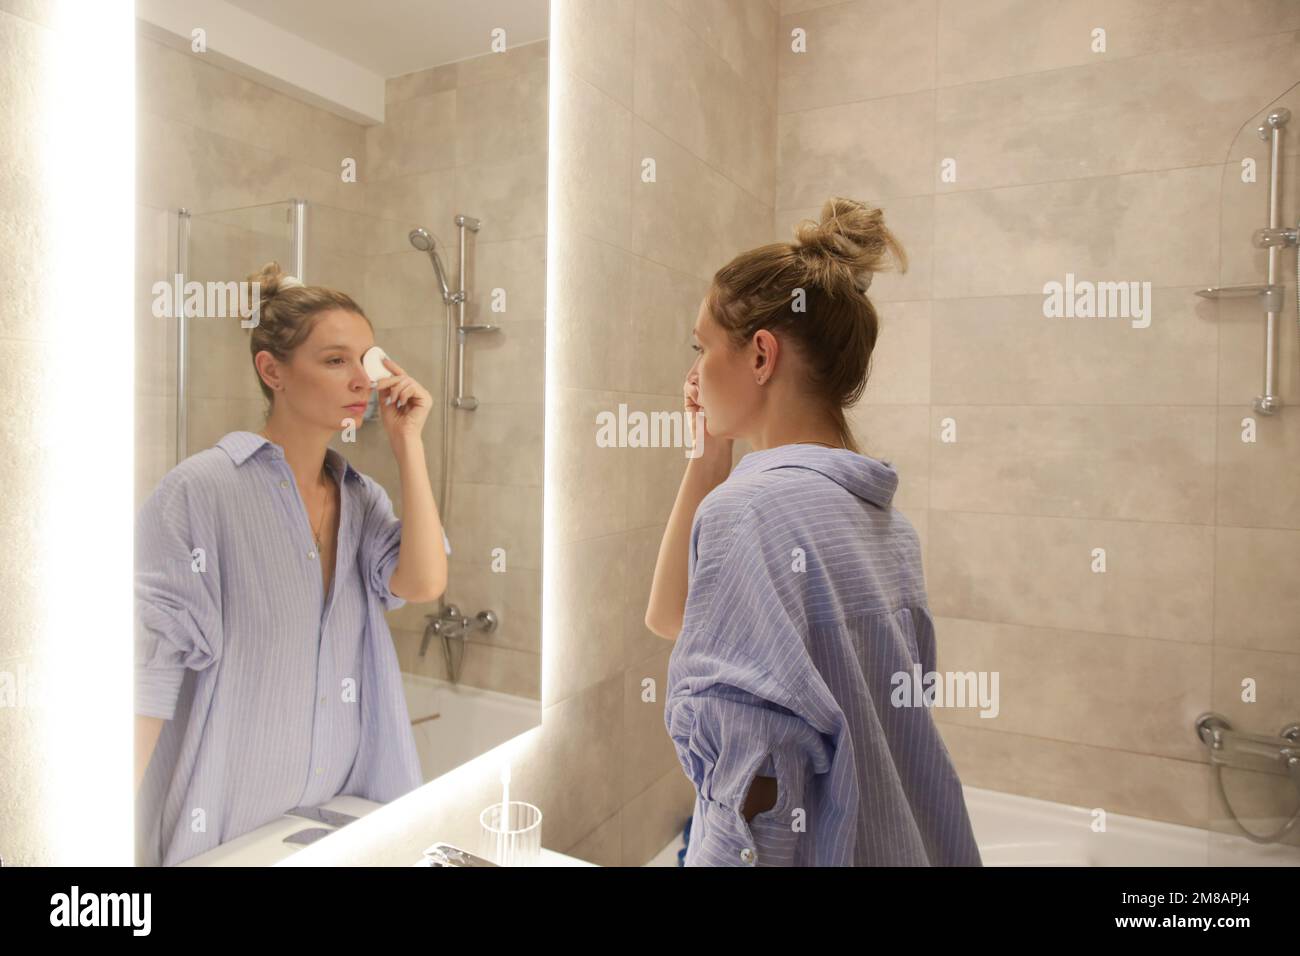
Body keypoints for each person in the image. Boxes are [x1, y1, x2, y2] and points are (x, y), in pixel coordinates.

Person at [646, 197, 982, 867]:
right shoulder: (883, 519)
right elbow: (676, 616)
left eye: (702, 347)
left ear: (761, 355)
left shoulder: (752, 511)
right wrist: (710, 457)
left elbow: (755, 797)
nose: (692, 374)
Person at [134, 262, 450, 866]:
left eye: (368, 358)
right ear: (272, 370)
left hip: (335, 818)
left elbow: (425, 581)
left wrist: (408, 441)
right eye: (335, 360)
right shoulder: (199, 492)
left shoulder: (361, 497)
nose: (363, 378)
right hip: (225, 833)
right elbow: (147, 677)